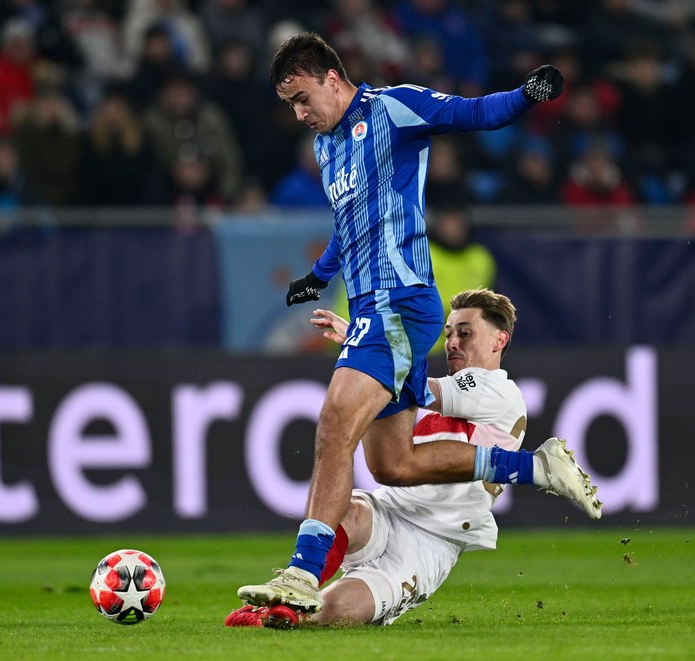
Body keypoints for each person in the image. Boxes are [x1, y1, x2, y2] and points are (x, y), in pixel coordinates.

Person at [237, 32, 589, 616]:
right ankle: (536, 466)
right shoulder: (327, 149)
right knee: (390, 465)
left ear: (330, 78)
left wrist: (528, 94)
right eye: (289, 105)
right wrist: (318, 275)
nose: (298, 114)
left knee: (333, 425)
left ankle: (301, 573)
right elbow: (350, 229)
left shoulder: (392, 109)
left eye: (302, 98)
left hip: (400, 303)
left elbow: (474, 113)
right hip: (371, 305)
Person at [228, 289, 599, 628]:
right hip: (390, 510)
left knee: (338, 613)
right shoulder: (446, 388)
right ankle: (297, 585)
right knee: (348, 508)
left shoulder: (497, 390)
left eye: (465, 333)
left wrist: (368, 346)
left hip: (430, 543)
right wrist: (367, 345)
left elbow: (422, 389)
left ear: (499, 340)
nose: (452, 342)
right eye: (449, 333)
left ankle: (279, 616)